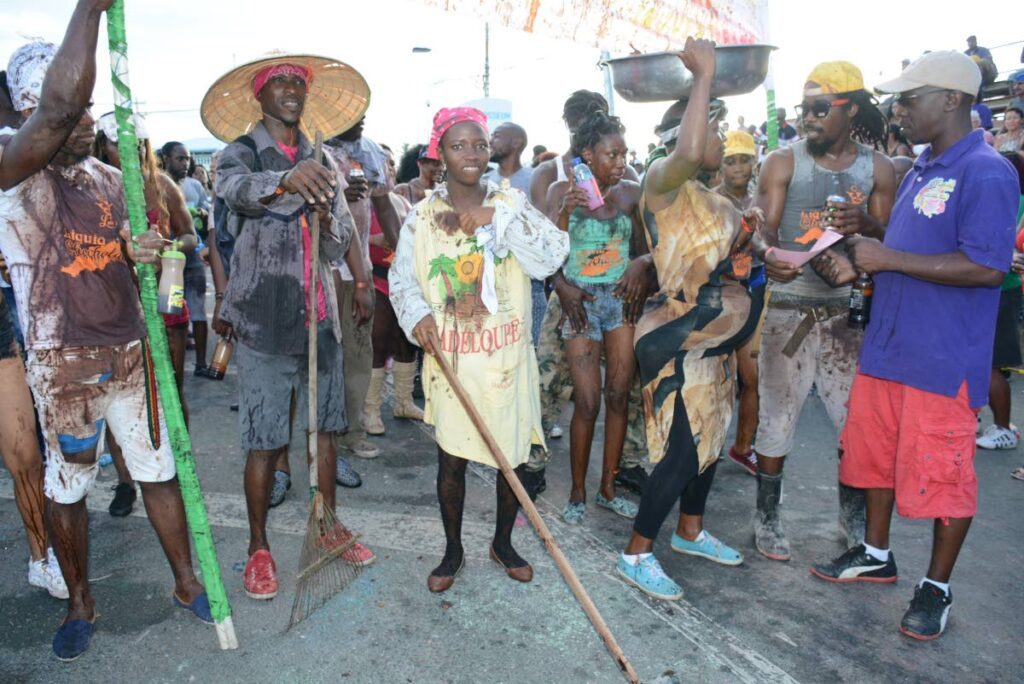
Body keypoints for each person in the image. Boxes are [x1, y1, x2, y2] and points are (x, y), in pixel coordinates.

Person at [0, 5, 212, 659]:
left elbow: (161, 261)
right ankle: (80, 602)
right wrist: (91, 8)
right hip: (64, 365)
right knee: (70, 487)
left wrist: (154, 255)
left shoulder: (113, 179)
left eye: (93, 111)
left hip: (130, 352)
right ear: (36, 116)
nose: (89, 120)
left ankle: (185, 583)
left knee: (157, 472)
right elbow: (58, 109)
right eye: (76, 112)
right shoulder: (13, 171)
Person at [809, 51, 1019, 641]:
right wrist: (868, 232)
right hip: (889, 346)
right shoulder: (924, 166)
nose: (899, 109)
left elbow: (986, 266)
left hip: (940, 358)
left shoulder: (986, 171)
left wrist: (888, 257)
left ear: (951, 100)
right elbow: (913, 244)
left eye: (910, 97)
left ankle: (938, 588)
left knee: (944, 474)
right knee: (872, 456)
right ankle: (876, 553)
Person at [208, 54, 374, 601]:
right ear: (259, 95)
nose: (291, 90)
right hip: (262, 319)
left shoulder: (322, 154)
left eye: (298, 83)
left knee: (324, 432)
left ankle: (327, 528)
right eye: (279, 82)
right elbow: (237, 194)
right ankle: (259, 548)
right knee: (264, 439)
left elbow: (334, 243)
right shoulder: (239, 153)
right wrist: (285, 181)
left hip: (318, 316)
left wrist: (328, 219)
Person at [390, 106, 569, 592]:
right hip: (453, 361)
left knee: (511, 458)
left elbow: (553, 254)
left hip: (507, 358)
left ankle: (503, 543)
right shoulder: (423, 218)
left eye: (479, 145)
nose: (471, 154)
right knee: (453, 460)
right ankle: (452, 550)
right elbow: (402, 280)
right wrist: (417, 315)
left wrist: (500, 218)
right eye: (458, 145)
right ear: (439, 153)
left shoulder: (511, 203)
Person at [616, 39, 756, 600]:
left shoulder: (719, 202)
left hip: (715, 340)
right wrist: (705, 78)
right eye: (714, 126)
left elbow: (735, 263)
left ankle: (691, 531)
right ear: (684, 139)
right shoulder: (663, 184)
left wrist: (762, 256)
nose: (721, 139)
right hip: (677, 337)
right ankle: (636, 552)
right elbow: (695, 148)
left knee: (709, 440)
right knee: (679, 451)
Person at [751, 60, 897, 561]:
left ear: (849, 107)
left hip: (847, 316)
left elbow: (895, 243)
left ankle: (852, 520)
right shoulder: (782, 161)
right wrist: (769, 255)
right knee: (776, 418)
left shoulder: (878, 169)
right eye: (803, 107)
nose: (808, 117)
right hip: (789, 310)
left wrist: (865, 231)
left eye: (819, 107)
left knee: (855, 424)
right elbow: (762, 229)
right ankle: (767, 522)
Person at [526, 90, 649, 499]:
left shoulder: (629, 185)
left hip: (616, 301)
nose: (619, 162)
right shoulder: (553, 180)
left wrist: (642, 264)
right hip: (570, 298)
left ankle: (615, 478)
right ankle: (535, 465)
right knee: (558, 386)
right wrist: (562, 287)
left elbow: (649, 246)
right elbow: (544, 251)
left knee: (620, 392)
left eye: (623, 154)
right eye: (577, 117)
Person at [93, 112, 199, 517]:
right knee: (118, 397)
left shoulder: (162, 186)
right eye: (120, 145)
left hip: (164, 295)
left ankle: (182, 464)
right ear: (103, 146)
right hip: (114, 305)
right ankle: (125, 482)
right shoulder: (93, 189)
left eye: (138, 145)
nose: (131, 152)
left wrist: (171, 246)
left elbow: (191, 234)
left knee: (171, 386)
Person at [326, 116, 403, 468]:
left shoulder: (371, 153)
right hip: (320, 271)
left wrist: (402, 257)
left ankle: (352, 433)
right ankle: (323, 435)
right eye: (350, 113)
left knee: (359, 351)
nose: (359, 118)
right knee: (324, 356)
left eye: (362, 112)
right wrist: (337, 196)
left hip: (360, 271)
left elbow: (385, 206)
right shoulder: (312, 150)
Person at [362, 146, 422, 435]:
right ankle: (371, 410)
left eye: (390, 164)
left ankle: (403, 401)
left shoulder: (400, 200)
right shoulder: (360, 200)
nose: (386, 168)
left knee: (405, 341)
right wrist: (377, 239)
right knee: (379, 341)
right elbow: (350, 236)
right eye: (380, 164)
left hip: (403, 280)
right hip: (374, 278)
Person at [715, 130, 764, 475]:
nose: (738, 168)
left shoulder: (764, 198)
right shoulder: (711, 201)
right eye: (730, 161)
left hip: (755, 290)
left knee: (752, 377)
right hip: (718, 295)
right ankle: (709, 445)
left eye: (744, 160)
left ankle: (743, 446)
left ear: (754, 162)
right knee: (719, 378)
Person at [484, 123, 544, 344]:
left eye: (497, 136)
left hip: (529, 282)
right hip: (491, 284)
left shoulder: (535, 179)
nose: (490, 141)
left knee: (532, 346)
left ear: (517, 142)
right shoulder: (483, 182)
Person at [162, 141, 213, 377]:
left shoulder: (194, 186)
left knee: (198, 311)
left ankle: (201, 364)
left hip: (191, 261)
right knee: (170, 314)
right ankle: (173, 368)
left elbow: (205, 212)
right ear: (165, 158)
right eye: (179, 158)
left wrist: (201, 214)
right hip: (167, 267)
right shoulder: (157, 186)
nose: (185, 163)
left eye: (187, 159)